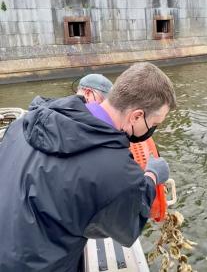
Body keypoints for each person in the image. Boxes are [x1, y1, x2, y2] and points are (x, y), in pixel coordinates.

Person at [0, 62, 176, 272]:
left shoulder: (27, 121)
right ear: (136, 116)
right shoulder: (115, 169)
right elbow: (127, 222)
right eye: (154, 124)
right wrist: (152, 175)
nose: (153, 130)